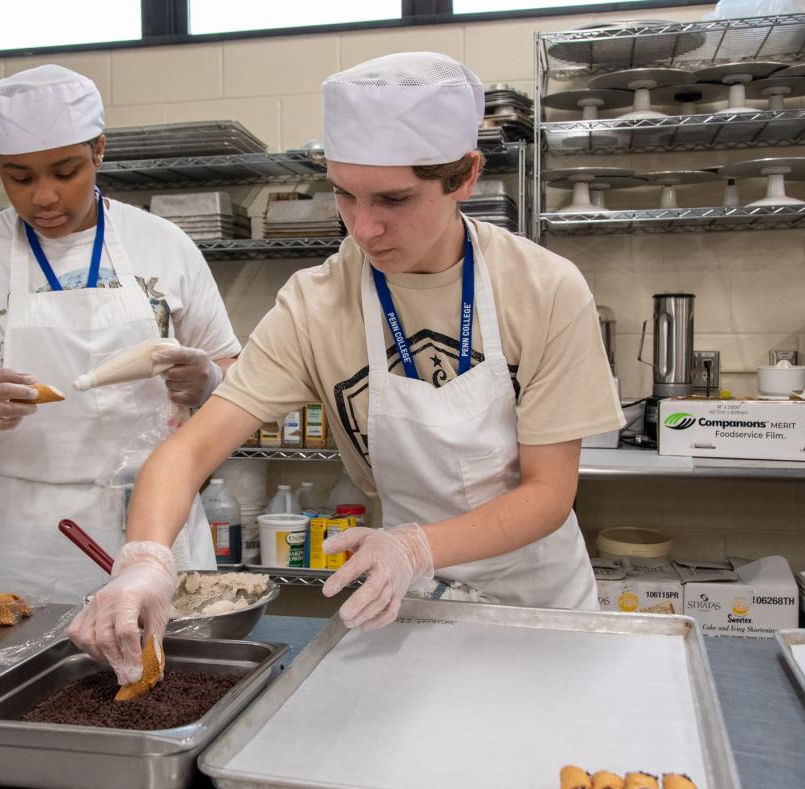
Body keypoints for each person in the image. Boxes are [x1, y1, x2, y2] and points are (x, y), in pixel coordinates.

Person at [68, 52, 624, 684]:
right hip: (411, 601)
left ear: (466, 175)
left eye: (394, 198)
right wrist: (144, 561)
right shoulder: (317, 304)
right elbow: (188, 452)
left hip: (542, 605)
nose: (364, 228)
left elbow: (548, 493)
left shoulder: (544, 289)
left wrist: (414, 546)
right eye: (344, 194)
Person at [0, 65, 240, 601]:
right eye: (19, 178)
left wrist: (211, 381)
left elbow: (237, 378)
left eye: (65, 171)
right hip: (17, 545)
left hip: (152, 527)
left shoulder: (163, 244)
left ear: (99, 150)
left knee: (165, 655)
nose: (44, 197)